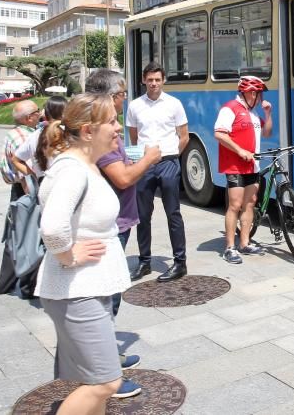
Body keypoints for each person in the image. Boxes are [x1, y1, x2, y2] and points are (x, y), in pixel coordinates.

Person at [35, 93, 134, 409]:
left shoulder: (84, 165)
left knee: (95, 382)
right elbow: (52, 227)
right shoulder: (73, 170)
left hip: (88, 288)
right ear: (89, 131)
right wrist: (68, 255)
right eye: (112, 122)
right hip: (77, 292)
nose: (118, 128)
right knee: (107, 382)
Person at [85, 70, 161, 314]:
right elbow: (123, 179)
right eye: (122, 94)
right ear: (110, 97)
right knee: (108, 294)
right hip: (111, 226)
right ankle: (105, 349)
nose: (119, 127)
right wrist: (148, 159)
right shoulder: (101, 135)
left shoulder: (106, 133)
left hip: (118, 221)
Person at [126, 62, 189, 282]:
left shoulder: (174, 104)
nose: (154, 83)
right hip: (144, 164)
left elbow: (184, 136)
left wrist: (172, 157)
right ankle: (144, 262)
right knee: (142, 215)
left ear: (163, 80)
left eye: (157, 80)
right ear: (144, 80)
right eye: (150, 80)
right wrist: (142, 160)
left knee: (173, 212)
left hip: (169, 162)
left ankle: (180, 262)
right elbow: (134, 137)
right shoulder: (134, 105)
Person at [214, 75, 273, 264]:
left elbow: (267, 132)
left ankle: (244, 243)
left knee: (250, 203)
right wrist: (239, 150)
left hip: (252, 165)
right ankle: (229, 247)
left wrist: (268, 114)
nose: (261, 98)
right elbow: (219, 133)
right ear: (251, 93)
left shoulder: (254, 113)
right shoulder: (230, 108)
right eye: (259, 94)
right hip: (235, 165)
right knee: (235, 205)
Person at [0, 100, 42, 299]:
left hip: (20, 189)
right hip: (27, 189)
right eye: (37, 112)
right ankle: (28, 286)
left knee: (16, 233)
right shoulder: (24, 136)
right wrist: (32, 190)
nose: (41, 114)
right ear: (29, 117)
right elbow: (24, 167)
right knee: (30, 235)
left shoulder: (13, 133)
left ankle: (5, 283)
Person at [12, 95, 69, 183]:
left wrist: (34, 177)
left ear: (45, 115)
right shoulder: (68, 134)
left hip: (43, 187)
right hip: (64, 185)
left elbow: (15, 160)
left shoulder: (33, 135)